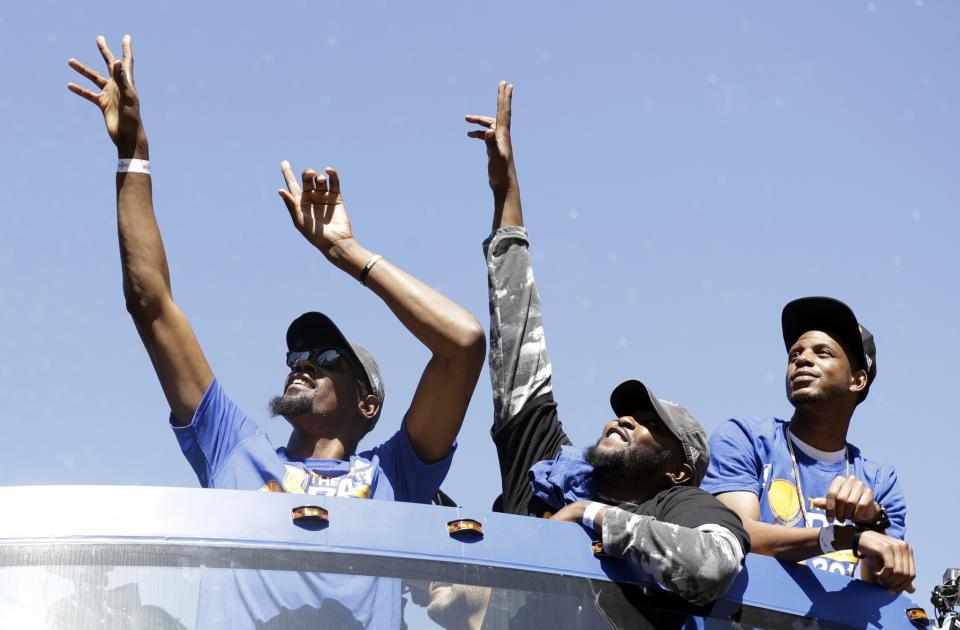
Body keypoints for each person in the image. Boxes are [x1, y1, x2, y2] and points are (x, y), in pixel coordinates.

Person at [68, 34, 485, 628]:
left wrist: (347, 253)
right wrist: (134, 154)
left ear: (368, 403)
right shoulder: (236, 451)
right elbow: (150, 304)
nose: (302, 362)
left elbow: (463, 345)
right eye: (296, 353)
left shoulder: (398, 476)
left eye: (326, 357)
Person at [466, 81, 749, 609]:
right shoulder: (545, 468)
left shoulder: (679, 503)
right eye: (625, 413)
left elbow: (715, 565)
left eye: (649, 424)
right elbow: (517, 338)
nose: (625, 420)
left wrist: (595, 517)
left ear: (677, 469)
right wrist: (506, 193)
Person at [701, 297, 916, 593]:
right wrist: (841, 538)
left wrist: (872, 525)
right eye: (794, 354)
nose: (801, 359)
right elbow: (735, 536)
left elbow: (881, 587)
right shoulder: (745, 438)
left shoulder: (880, 482)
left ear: (857, 380)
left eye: (823, 352)